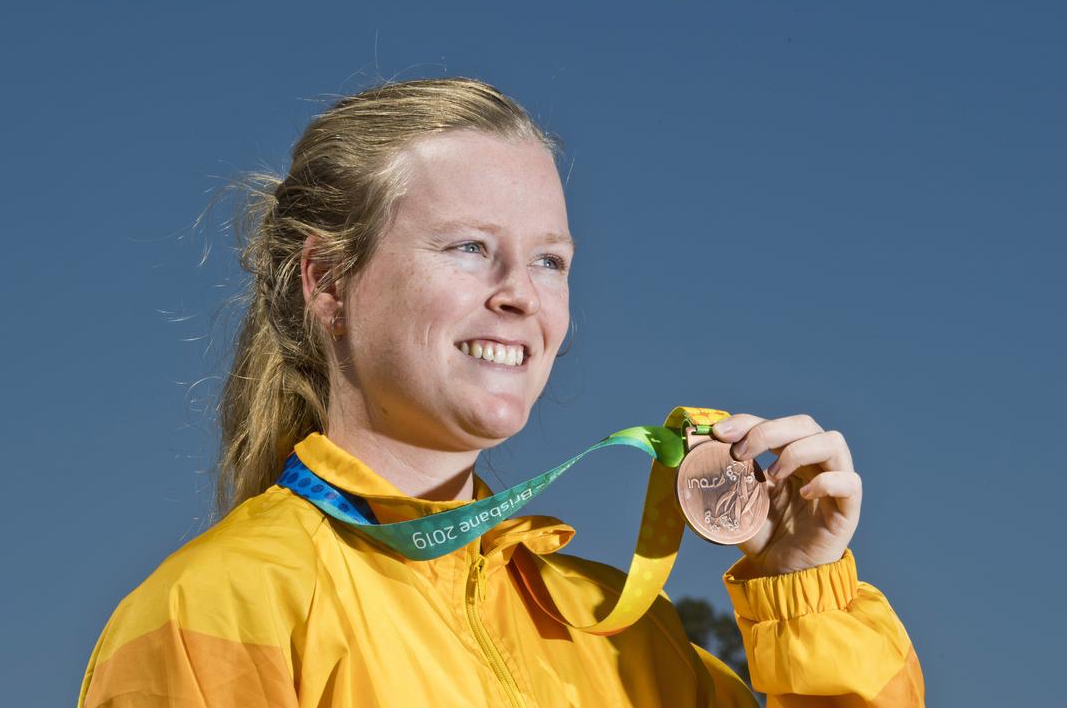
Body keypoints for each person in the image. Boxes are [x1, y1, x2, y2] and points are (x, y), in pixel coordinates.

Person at [77, 77, 925, 707]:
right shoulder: (216, 608)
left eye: (550, 260)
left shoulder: (628, 636)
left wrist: (803, 598)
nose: (521, 292)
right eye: (469, 248)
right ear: (329, 282)